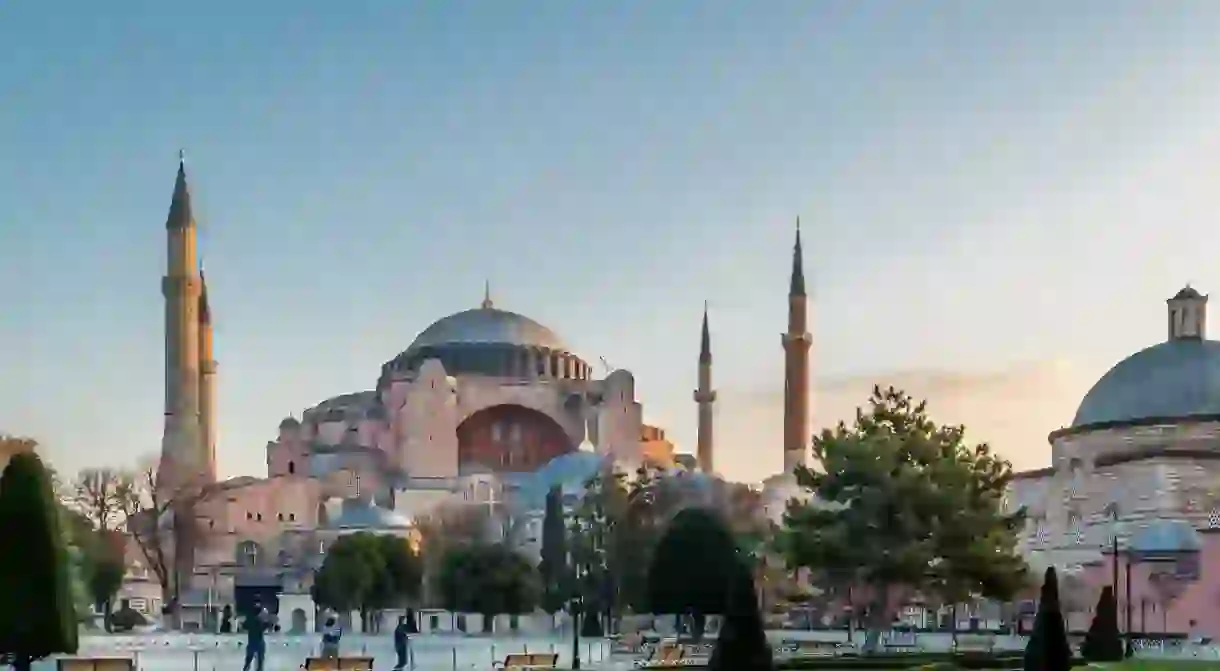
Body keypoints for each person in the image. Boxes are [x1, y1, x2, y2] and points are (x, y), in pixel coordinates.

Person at [242, 601, 272, 671]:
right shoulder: (260, 620)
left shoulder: (251, 619)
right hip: (259, 642)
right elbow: (266, 626)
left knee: (248, 661)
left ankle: (247, 668)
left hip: (252, 642)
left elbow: (244, 626)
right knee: (259, 662)